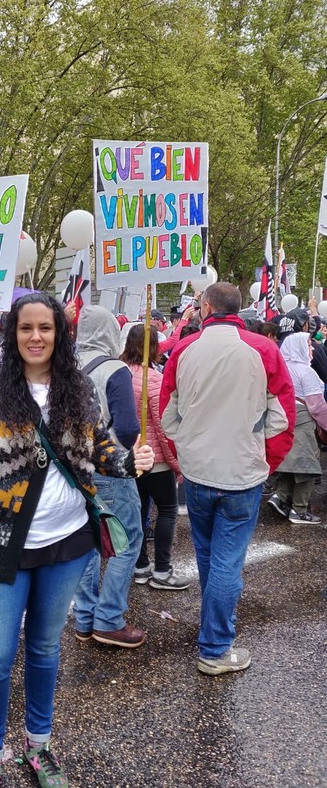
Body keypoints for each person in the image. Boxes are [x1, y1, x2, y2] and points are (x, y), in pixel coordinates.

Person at [0, 293, 154, 788]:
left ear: (59, 333)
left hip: (67, 544)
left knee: (46, 648)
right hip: (1, 541)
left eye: (45, 328)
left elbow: (101, 446)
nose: (35, 337)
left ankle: (38, 747)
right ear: (13, 333)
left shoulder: (80, 391)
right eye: (25, 328)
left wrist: (130, 460)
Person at [160, 282, 295, 676]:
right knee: (224, 562)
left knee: (210, 558)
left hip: (200, 473)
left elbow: (169, 417)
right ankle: (215, 646)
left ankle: (213, 631)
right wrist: (265, 460)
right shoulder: (264, 349)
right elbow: (283, 418)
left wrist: (188, 452)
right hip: (241, 474)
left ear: (204, 307)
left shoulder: (183, 350)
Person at [72, 305, 147, 648]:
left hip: (72, 469)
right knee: (125, 543)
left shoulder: (65, 366)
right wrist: (127, 451)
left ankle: (85, 617)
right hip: (110, 468)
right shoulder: (114, 369)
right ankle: (108, 619)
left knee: (86, 545)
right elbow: (129, 427)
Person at [121, 325, 192, 590]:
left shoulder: (119, 373)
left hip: (128, 456)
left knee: (138, 511)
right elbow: (163, 425)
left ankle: (140, 566)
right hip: (156, 458)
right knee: (167, 510)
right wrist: (176, 463)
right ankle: (162, 570)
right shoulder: (153, 378)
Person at [268, 332, 326, 524]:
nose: (312, 350)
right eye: (309, 345)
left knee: (292, 461)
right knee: (308, 465)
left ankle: (280, 496)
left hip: (282, 416)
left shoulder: (283, 367)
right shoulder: (306, 372)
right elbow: (317, 406)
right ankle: (299, 510)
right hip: (302, 417)